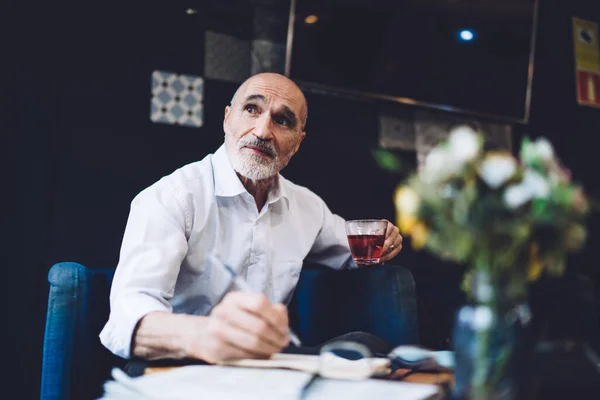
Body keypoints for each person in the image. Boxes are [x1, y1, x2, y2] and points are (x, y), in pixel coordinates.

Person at [99, 73, 403, 365]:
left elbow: (356, 250)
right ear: (227, 118)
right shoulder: (172, 196)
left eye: (282, 120)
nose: (262, 131)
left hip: (261, 375)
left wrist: (385, 242)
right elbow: (128, 318)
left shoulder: (307, 207)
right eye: (251, 109)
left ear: (297, 142)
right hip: (179, 369)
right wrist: (205, 336)